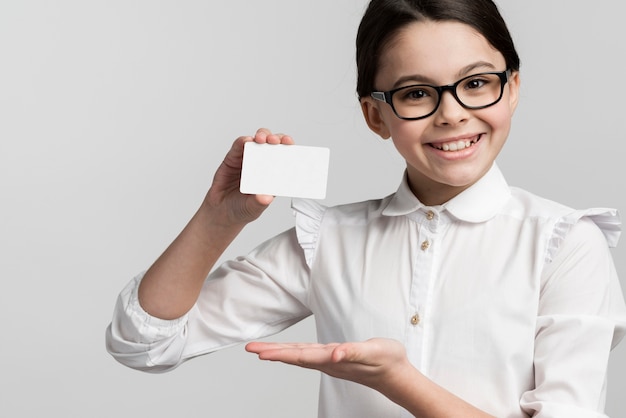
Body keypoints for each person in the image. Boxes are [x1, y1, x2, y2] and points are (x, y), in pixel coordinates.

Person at [105, 0, 626, 416]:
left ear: (511, 89)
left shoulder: (564, 244)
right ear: (375, 116)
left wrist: (401, 383)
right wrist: (219, 219)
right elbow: (144, 343)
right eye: (417, 93)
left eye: (475, 84)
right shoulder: (330, 240)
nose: (452, 115)